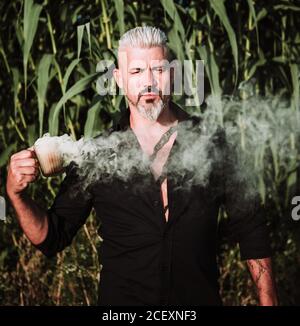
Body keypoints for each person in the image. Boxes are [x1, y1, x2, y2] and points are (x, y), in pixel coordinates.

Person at [6, 26, 278, 306]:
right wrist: (17, 195)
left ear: (172, 74)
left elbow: (252, 229)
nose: (149, 82)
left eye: (158, 70)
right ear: (119, 79)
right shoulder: (98, 154)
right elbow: (52, 236)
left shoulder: (212, 142)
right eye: (136, 72)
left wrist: (269, 301)